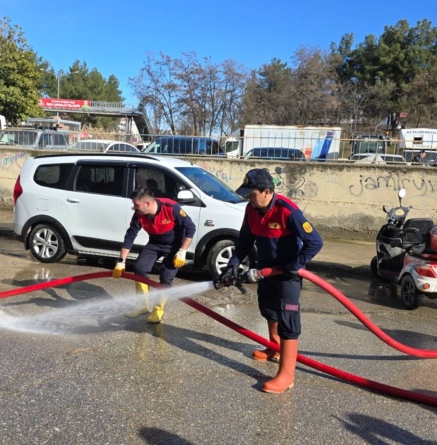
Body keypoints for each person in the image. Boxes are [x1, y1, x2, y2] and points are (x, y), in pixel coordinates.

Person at [220, 168, 323, 394]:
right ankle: (274, 348)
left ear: (267, 192)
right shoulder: (252, 209)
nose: (248, 197)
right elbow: (245, 239)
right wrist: (234, 262)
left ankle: (287, 375)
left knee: (288, 319)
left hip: (287, 274)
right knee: (269, 309)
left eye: (252, 193)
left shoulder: (288, 211)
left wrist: (296, 265)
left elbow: (315, 242)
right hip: (265, 270)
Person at [112, 187, 197, 323]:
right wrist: (121, 261)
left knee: (166, 277)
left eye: (136, 204)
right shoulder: (140, 214)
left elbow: (191, 228)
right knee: (139, 269)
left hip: (174, 246)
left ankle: (158, 310)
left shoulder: (171, 207)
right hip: (154, 243)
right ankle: (142, 306)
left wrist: (182, 251)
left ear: (148, 204)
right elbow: (130, 236)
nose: (134, 208)